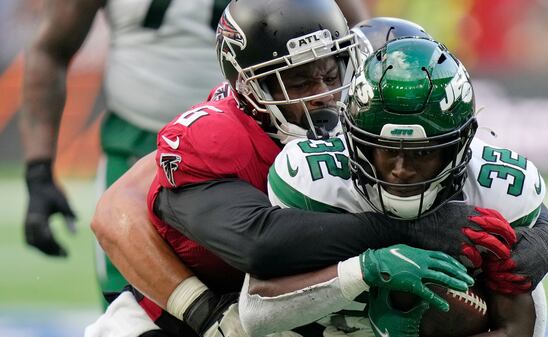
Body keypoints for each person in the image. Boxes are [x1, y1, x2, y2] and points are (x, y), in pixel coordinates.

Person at [89, 9, 548, 337]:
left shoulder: (370, 122)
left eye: (332, 73)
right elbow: (120, 213)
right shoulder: (220, 136)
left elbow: (489, 181)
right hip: (186, 321)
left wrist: (543, 234)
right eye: (297, 80)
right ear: (245, 84)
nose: (322, 95)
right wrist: (205, 313)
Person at [19, 0, 371, 305]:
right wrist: (38, 169)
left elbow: (353, 34)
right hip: (139, 140)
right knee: (137, 298)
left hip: (268, 134)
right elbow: (51, 49)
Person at [238, 37, 548, 337]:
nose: (401, 170)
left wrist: (546, 232)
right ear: (355, 140)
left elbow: (523, 327)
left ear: (459, 146)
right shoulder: (316, 179)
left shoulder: (498, 189)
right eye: (387, 150)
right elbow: (253, 314)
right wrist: (364, 270)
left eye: (421, 152)